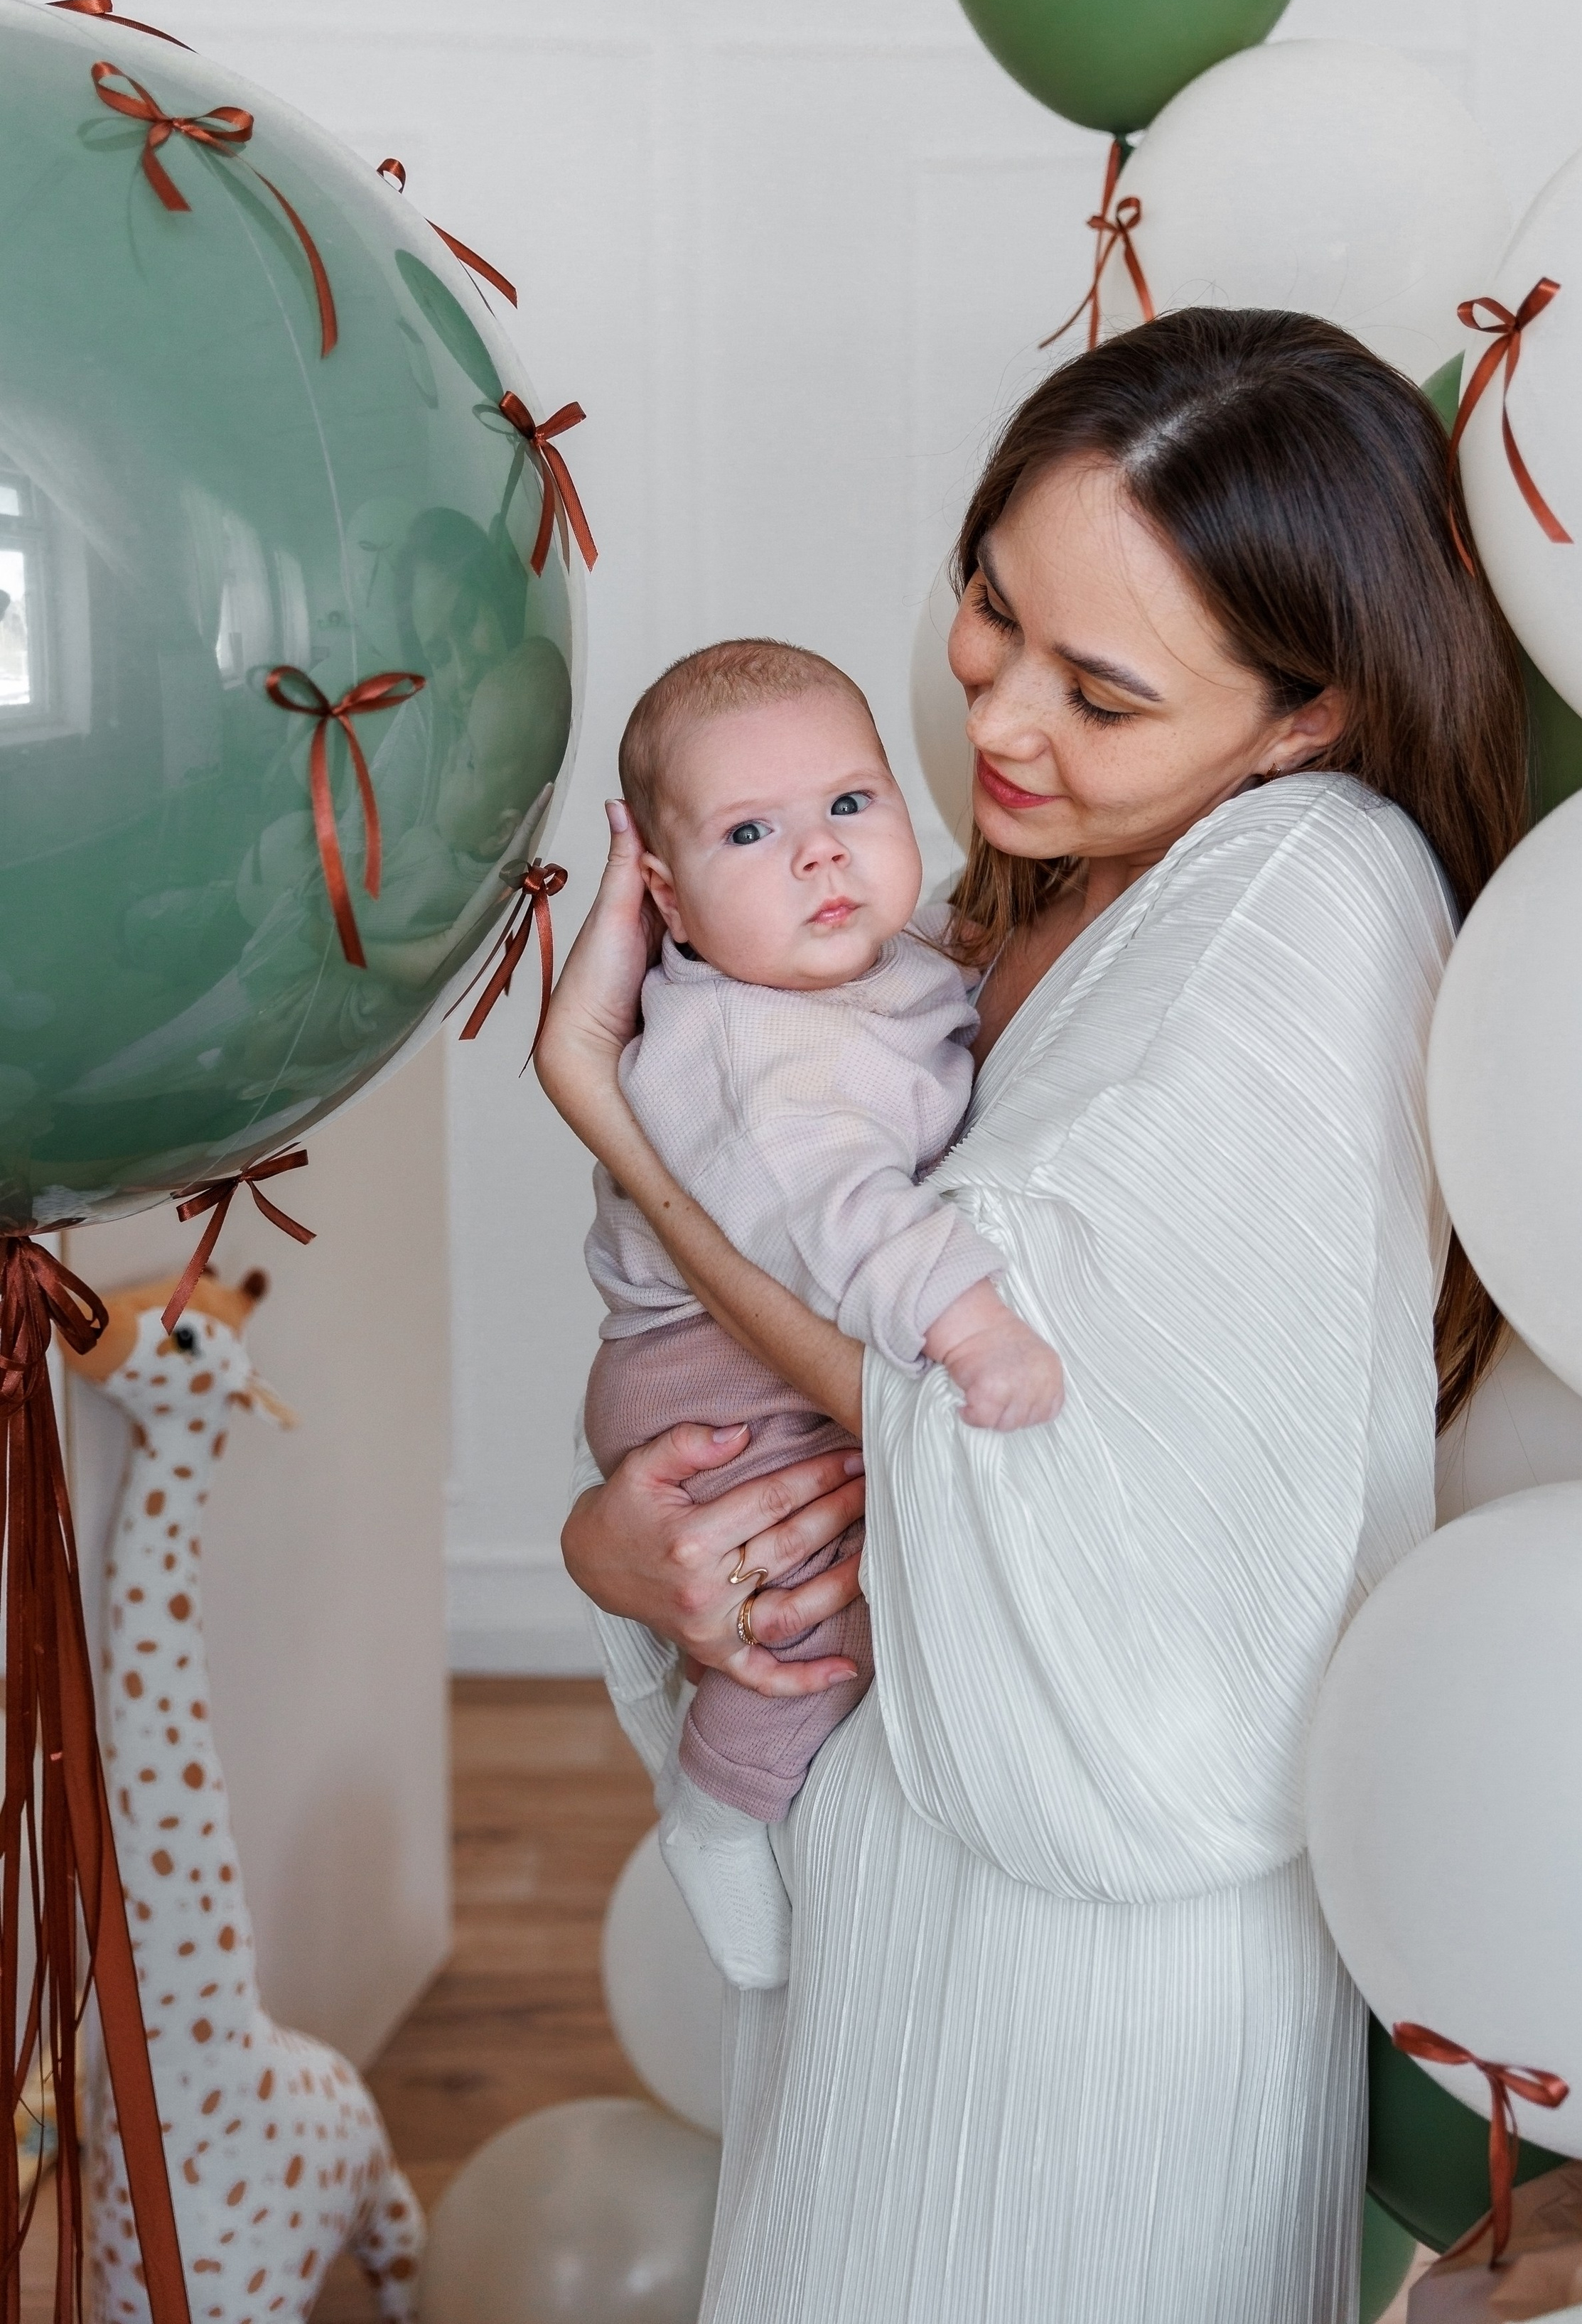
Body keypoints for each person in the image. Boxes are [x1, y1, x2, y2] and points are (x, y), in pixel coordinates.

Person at [538, 308, 1528, 2324]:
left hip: (1086, 1951)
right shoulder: (1007, 895)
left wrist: (613, 1129)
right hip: (899, 1876)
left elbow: (1018, 1429)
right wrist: (619, 1541)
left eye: (1100, 690)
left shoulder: (1300, 907)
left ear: (1304, 718)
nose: (995, 719)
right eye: (993, 607)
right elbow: (808, 1334)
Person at [584, 634, 1060, 1989]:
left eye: (852, 805)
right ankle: (724, 1808)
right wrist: (971, 1327)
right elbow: (844, 1218)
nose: (822, 856)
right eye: (754, 831)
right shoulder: (754, 1058)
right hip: (703, 1374)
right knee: (815, 1591)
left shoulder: (870, 959)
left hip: (754, 1329)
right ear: (667, 903)